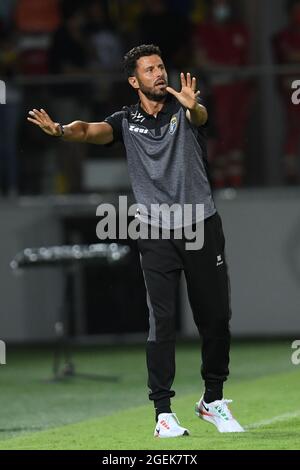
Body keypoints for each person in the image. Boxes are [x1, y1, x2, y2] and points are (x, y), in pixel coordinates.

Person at [27, 44, 244, 438]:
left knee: (215, 318)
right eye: (150, 70)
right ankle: (163, 413)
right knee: (160, 322)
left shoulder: (185, 108)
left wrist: (194, 106)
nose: (159, 74)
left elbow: (201, 115)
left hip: (200, 226)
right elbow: (90, 131)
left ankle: (212, 400)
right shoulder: (126, 121)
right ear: (134, 80)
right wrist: (60, 131)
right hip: (155, 231)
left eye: (161, 66)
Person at [193, 0, 252, 188]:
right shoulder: (203, 31)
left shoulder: (239, 30)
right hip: (215, 92)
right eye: (218, 5)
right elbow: (202, 61)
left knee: (236, 136)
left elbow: (245, 63)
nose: (222, 9)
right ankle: (218, 182)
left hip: (238, 90)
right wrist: (227, 69)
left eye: (224, 4)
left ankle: (236, 182)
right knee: (219, 135)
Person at [273, 0, 300, 184]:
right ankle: (291, 172)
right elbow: (289, 55)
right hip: (294, 85)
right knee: (295, 126)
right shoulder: (282, 36)